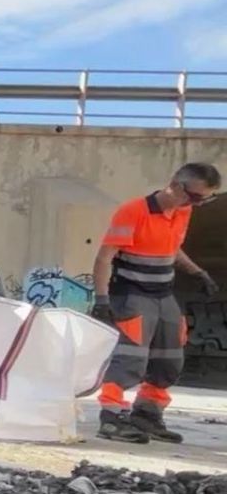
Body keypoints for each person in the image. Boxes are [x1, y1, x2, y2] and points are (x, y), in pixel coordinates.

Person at [91, 162, 220, 443]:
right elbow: (104, 257)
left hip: (163, 294)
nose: (196, 205)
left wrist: (198, 272)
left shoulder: (182, 211)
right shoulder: (134, 211)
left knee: (170, 359)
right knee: (129, 359)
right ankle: (111, 418)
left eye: (204, 199)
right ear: (176, 184)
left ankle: (146, 415)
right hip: (131, 294)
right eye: (195, 197)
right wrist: (102, 299)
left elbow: (172, 248)